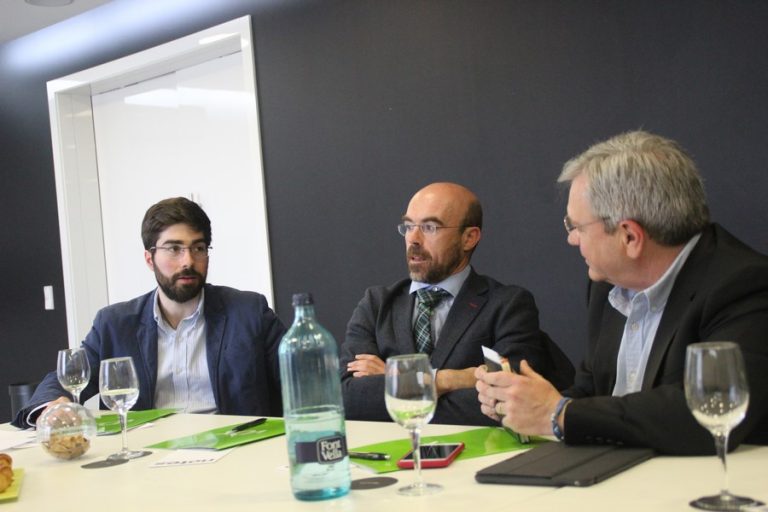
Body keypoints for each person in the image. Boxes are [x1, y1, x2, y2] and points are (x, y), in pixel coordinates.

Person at [476, 131, 768, 454]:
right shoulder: (607, 286)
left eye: (576, 227)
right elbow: (594, 390)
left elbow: (708, 410)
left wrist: (560, 414)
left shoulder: (745, 285)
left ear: (629, 236)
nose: (571, 240)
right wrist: (525, 402)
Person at [13, 197, 285, 428]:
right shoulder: (115, 324)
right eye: (174, 249)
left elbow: (301, 376)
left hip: (237, 455)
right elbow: (65, 381)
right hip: (146, 459)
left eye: (198, 248)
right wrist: (53, 406)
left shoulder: (248, 313)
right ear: (149, 258)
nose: (188, 261)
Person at [341, 182, 574, 425]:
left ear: (469, 237)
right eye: (409, 226)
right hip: (389, 457)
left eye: (430, 227)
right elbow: (349, 399)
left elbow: (508, 402)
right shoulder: (376, 304)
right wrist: (451, 379)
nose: (414, 239)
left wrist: (400, 381)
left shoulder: (508, 305)